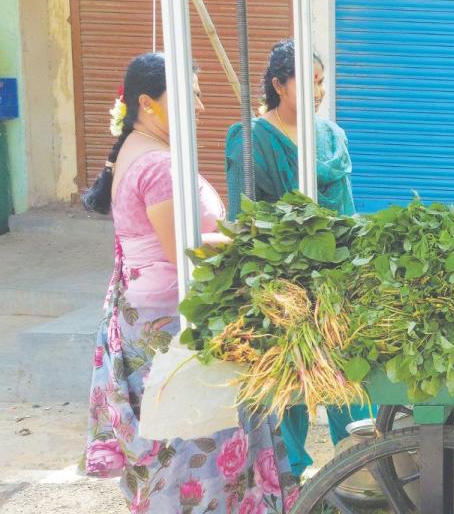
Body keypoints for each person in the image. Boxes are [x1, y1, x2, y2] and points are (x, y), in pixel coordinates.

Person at [81, 53, 298, 513]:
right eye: (191, 95)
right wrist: (258, 242)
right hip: (173, 322)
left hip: (153, 315)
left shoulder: (139, 150)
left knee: (173, 437)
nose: (200, 107)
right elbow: (185, 248)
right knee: (192, 437)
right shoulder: (157, 164)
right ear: (148, 103)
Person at [225, 39, 371, 479]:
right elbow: (244, 217)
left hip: (337, 277)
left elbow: (347, 210)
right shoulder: (252, 139)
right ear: (278, 86)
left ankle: (362, 468)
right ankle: (289, 478)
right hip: (281, 281)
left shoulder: (333, 137)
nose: (319, 91)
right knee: (289, 380)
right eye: (309, 83)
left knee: (350, 372)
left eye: (322, 82)